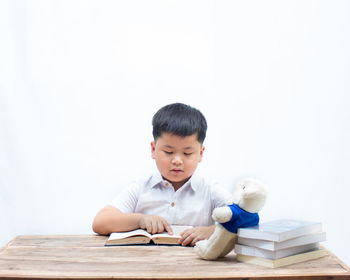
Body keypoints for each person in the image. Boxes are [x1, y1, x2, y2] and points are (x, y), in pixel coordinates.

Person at [92, 103, 231, 246]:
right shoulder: (142, 186)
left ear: (200, 154)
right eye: (168, 152)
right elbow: (100, 221)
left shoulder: (209, 189)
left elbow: (247, 218)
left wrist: (213, 231)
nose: (177, 161)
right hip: (146, 263)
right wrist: (140, 220)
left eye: (187, 153)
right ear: (153, 149)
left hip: (195, 264)